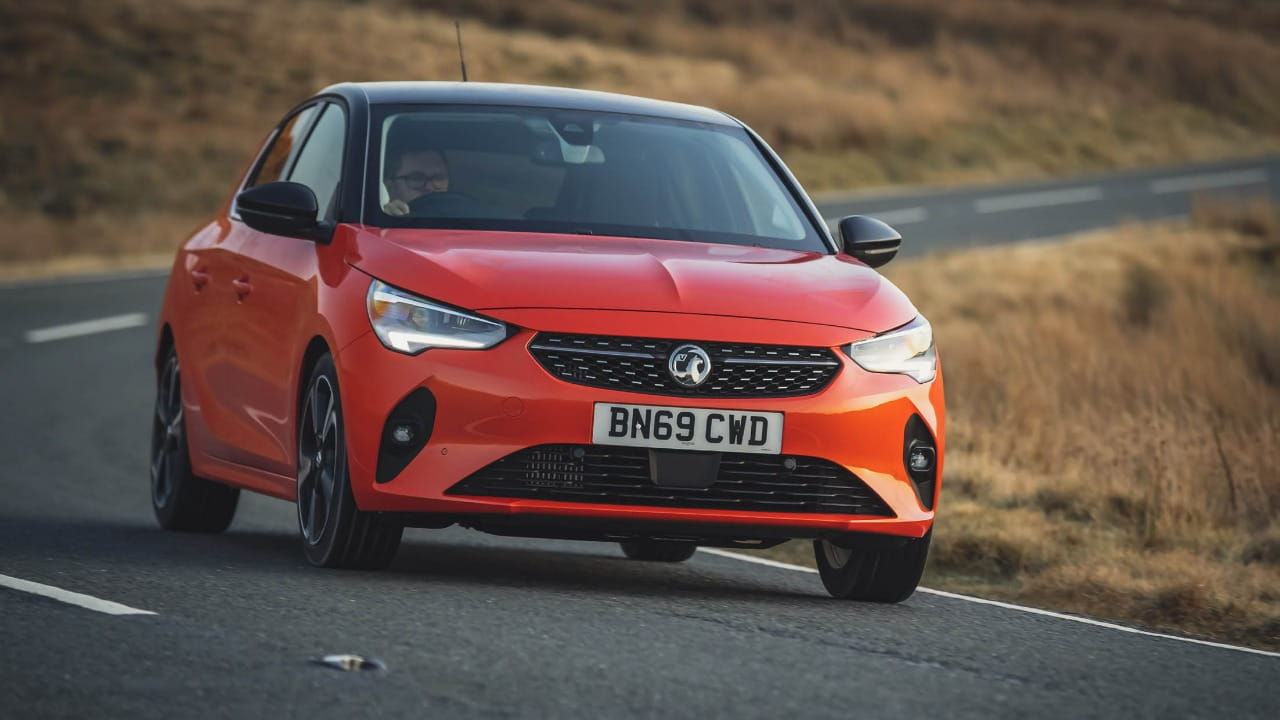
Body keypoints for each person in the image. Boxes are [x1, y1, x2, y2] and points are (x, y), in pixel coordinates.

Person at [383, 147, 450, 216]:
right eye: (416, 178)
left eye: (438, 178)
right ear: (390, 186)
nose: (429, 187)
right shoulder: (379, 220)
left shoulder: (460, 217)